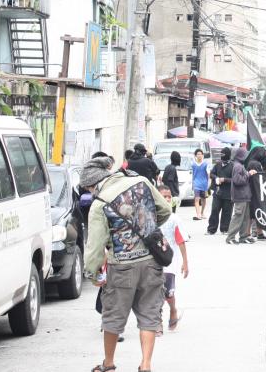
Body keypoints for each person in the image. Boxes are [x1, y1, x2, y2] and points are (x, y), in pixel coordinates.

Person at [82, 157, 172, 372]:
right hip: (151, 261)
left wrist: (93, 275)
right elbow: (166, 210)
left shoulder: (99, 204)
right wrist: (146, 226)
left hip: (121, 266)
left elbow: (95, 247)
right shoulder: (141, 181)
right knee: (150, 314)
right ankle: (146, 364)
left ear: (93, 184)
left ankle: (109, 363)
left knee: (113, 316)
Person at [158, 186, 189, 332]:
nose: (167, 199)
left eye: (169, 196)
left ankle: (172, 309)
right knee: (153, 292)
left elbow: (181, 241)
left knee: (168, 292)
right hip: (153, 261)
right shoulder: (150, 217)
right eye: (164, 196)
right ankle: (156, 321)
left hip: (170, 262)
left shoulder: (174, 219)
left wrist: (185, 262)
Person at [226, 148, 256, 245]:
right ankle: (230, 237)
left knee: (245, 218)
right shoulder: (238, 166)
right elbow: (237, 180)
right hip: (240, 196)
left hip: (244, 196)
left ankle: (244, 237)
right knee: (238, 217)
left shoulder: (240, 165)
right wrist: (248, 174)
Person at [207, 147, 234, 235]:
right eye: (221, 155)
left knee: (227, 212)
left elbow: (235, 179)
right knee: (214, 210)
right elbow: (212, 173)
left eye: (223, 155)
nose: (222, 157)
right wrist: (216, 178)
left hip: (228, 193)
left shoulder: (233, 166)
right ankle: (211, 229)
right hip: (218, 192)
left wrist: (224, 179)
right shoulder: (218, 164)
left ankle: (225, 229)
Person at [191, 149, 210, 221]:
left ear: (202, 155)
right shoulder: (193, 164)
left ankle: (202, 212)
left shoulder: (206, 164)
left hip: (204, 184)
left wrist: (208, 183)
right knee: (196, 199)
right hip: (196, 184)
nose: (199, 155)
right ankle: (198, 214)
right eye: (197, 154)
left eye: (200, 154)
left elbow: (208, 174)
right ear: (195, 155)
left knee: (203, 200)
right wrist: (192, 183)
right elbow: (192, 174)